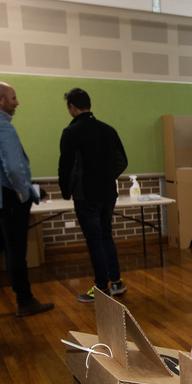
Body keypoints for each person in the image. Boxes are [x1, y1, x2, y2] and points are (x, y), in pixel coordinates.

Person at [58, 88, 128, 303]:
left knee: (94, 240)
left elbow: (66, 166)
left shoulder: (71, 132)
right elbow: (122, 161)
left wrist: (66, 191)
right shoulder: (108, 130)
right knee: (106, 235)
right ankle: (116, 282)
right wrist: (107, 177)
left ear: (72, 107)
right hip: (108, 192)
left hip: (85, 194)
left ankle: (101, 288)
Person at [0, 82, 54, 317]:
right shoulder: (4, 128)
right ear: (1, 101)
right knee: (16, 251)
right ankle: (25, 300)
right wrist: (26, 193)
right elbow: (13, 168)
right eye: (13, 98)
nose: (17, 102)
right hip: (11, 200)